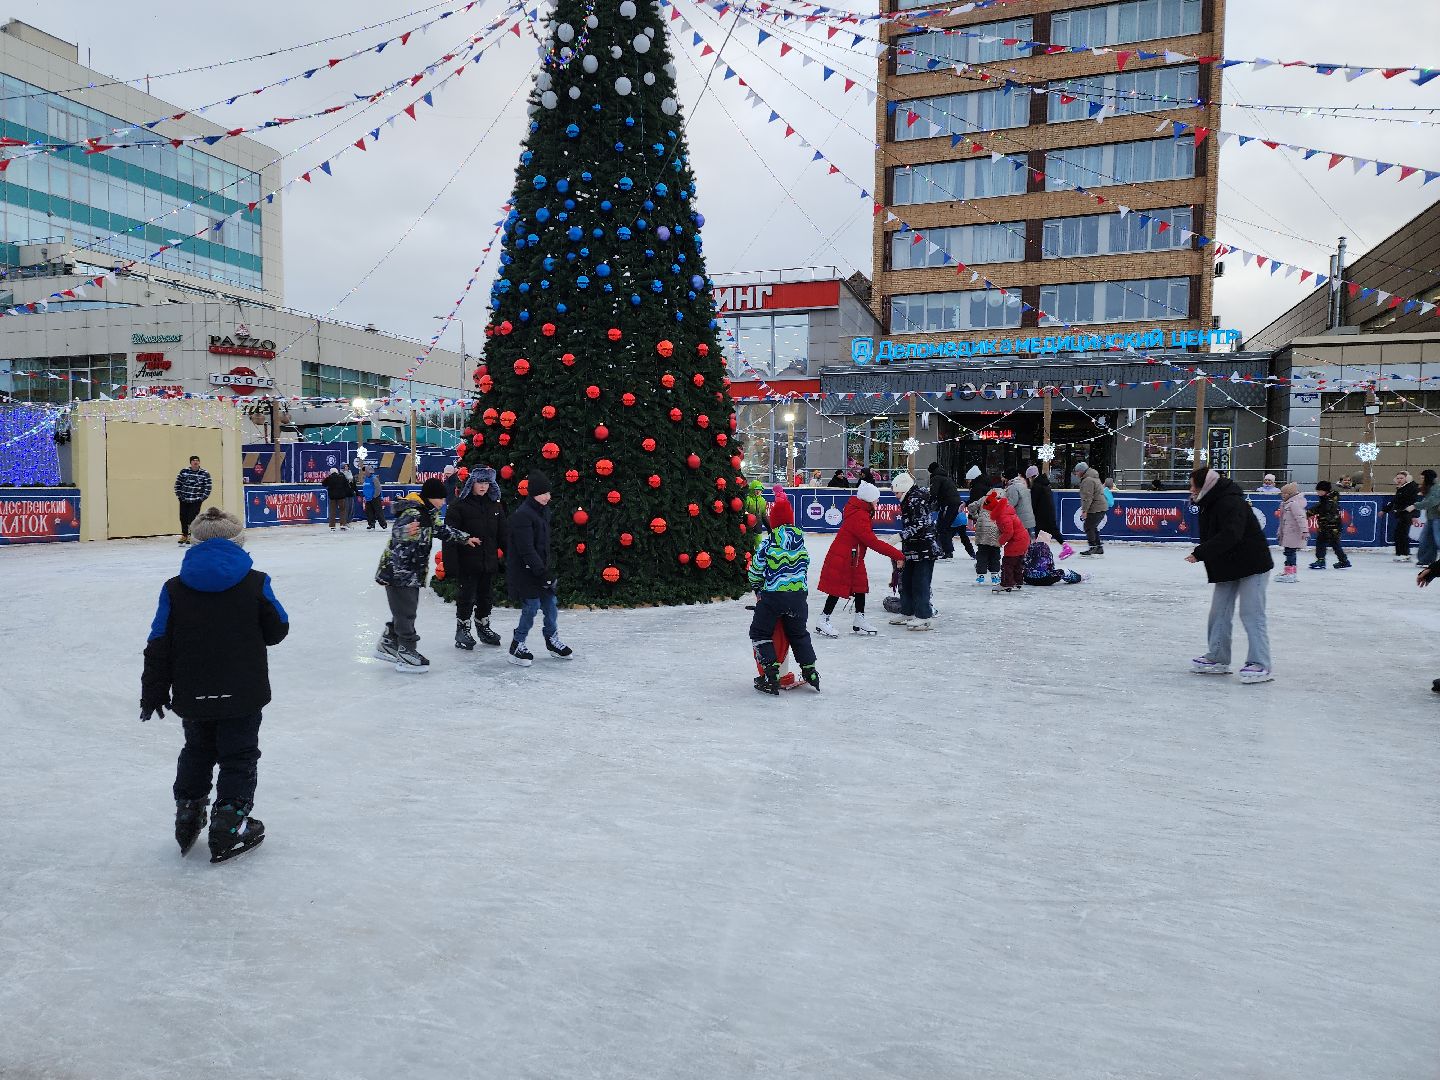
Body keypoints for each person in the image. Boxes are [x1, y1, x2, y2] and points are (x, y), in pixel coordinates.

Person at [140, 507, 289, 863]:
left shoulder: (174, 589)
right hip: (243, 689)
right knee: (238, 756)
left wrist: (154, 689)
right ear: (239, 542)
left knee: (197, 750)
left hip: (193, 691)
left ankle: (188, 812)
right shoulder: (256, 581)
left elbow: (158, 640)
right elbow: (278, 628)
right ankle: (229, 823)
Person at [375, 478, 480, 673]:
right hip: (399, 573)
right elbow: (399, 532)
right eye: (441, 498)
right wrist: (405, 532)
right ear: (432, 497)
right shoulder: (413, 512)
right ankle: (407, 651)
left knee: (403, 610)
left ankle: (389, 642)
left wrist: (465, 538)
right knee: (407, 612)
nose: (444, 502)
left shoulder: (428, 513)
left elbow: (441, 530)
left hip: (409, 572)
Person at [1185, 467, 1274, 684]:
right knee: (1219, 611)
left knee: (1251, 613)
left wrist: (1201, 553)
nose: (1191, 490)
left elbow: (1230, 534)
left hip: (1253, 563)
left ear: (1205, 485)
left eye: (1193, 485)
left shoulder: (1231, 502)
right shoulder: (1210, 501)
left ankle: (1260, 663)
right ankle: (1218, 657)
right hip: (1228, 564)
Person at [748, 487, 820, 695]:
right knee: (798, 634)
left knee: (760, 632)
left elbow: (756, 569)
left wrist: (757, 586)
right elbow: (804, 566)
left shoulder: (769, 541)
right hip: (798, 598)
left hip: (773, 597)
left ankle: (771, 673)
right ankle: (810, 671)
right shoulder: (800, 542)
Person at [815, 480, 903, 637]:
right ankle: (823, 620)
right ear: (869, 500)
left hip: (854, 557)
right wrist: (897, 555)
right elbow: (873, 542)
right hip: (844, 557)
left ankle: (859, 619)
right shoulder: (859, 516)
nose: (878, 501)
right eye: (876, 498)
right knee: (836, 589)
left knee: (860, 586)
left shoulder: (861, 512)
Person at [505, 469, 573, 666]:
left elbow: (542, 546)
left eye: (548, 493)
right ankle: (517, 644)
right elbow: (526, 549)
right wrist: (542, 572)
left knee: (551, 605)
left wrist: (545, 569)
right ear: (533, 493)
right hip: (525, 572)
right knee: (532, 607)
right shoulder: (522, 516)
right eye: (543, 493)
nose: (547, 497)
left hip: (540, 569)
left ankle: (552, 640)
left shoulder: (543, 512)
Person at [444, 467, 506, 650]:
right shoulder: (459, 505)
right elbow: (449, 535)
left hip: (488, 561)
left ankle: (483, 626)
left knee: (486, 597)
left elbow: (503, 534)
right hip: (467, 562)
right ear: (472, 482)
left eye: (487, 483)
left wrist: (511, 556)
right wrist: (451, 565)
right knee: (466, 597)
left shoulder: (495, 505)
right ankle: (462, 629)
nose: (483, 487)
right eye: (480, 482)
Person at [890, 472, 939, 630]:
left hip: (924, 548)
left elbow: (921, 524)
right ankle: (908, 612)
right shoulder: (908, 499)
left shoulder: (917, 500)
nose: (895, 496)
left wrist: (900, 536)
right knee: (907, 581)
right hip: (912, 547)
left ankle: (924, 616)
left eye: (896, 493)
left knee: (920, 582)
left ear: (904, 489)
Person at [927, 461, 971, 559]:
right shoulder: (946, 477)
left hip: (948, 505)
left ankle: (947, 552)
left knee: (943, 528)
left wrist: (928, 504)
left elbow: (933, 493)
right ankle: (945, 550)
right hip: (953, 504)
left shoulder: (936, 478)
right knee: (943, 528)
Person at [989, 489, 1029, 593]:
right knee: (1016, 562)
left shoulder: (1002, 515)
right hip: (1023, 539)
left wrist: (1000, 542)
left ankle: (1006, 583)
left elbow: (1008, 532)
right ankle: (1018, 581)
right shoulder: (1006, 510)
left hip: (1017, 541)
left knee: (1008, 562)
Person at [1309, 480, 1351, 570]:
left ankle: (1321, 560)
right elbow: (1319, 508)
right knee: (1334, 544)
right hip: (1331, 526)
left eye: (1319, 491)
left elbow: (1322, 509)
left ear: (1325, 491)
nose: (1318, 493)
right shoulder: (1328, 499)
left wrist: (1309, 513)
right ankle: (1343, 560)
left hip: (1330, 526)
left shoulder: (1329, 501)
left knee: (1323, 542)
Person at [173, 455, 212, 546]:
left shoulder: (204, 473)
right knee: (183, 517)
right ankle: (184, 535)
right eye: (193, 460)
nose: (195, 462)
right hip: (184, 499)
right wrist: (179, 496)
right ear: (190, 462)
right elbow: (178, 484)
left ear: (199, 462)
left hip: (196, 500)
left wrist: (202, 498)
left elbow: (208, 487)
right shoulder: (184, 471)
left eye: (197, 460)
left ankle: (192, 535)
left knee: (192, 518)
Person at [968, 483, 1002, 588]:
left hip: (982, 529)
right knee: (995, 555)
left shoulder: (983, 499)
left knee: (982, 554)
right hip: (995, 530)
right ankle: (995, 577)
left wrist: (976, 516)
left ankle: (980, 577)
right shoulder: (1002, 501)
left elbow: (971, 506)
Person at [1274, 481, 1308, 583]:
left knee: (1290, 553)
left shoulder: (1294, 504)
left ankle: (1291, 573)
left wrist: (1304, 531)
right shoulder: (1286, 504)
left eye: (1285, 494)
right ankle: (1288, 571)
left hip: (1293, 533)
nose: (1282, 496)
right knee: (1288, 552)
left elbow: (1301, 518)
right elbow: (1282, 521)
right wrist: (1280, 531)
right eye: (1282, 494)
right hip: (1288, 533)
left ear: (1290, 494)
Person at [1383, 471, 1419, 562]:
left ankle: (1404, 554)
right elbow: (1395, 501)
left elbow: (1414, 502)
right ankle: (1400, 553)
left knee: (1402, 534)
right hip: (1401, 514)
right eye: (1398, 478)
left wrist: (1414, 515)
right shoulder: (1401, 488)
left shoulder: (1410, 488)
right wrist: (1384, 510)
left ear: (1406, 479)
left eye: (1401, 478)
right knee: (1399, 534)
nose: (1399, 480)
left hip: (1407, 514)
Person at [1076, 461, 1107, 556]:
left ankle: (1093, 547)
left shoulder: (1087, 480)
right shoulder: (1093, 477)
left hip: (1096, 507)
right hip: (1100, 506)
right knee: (1092, 527)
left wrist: (1084, 510)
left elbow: (1087, 497)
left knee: (1088, 526)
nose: (1076, 474)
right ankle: (1098, 547)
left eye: (1077, 471)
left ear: (1082, 471)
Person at [1030, 465, 1061, 543]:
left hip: (1041, 515)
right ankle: (1065, 546)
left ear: (1031, 477)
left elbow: (1033, 502)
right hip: (1049, 512)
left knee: (1041, 533)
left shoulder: (1036, 486)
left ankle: (1042, 552)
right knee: (1052, 530)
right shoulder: (1045, 484)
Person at [1417, 470, 1440, 565]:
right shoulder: (1429, 488)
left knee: (1438, 539)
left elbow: (1432, 502)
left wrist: (1415, 506)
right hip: (1431, 518)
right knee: (1426, 539)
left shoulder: (1437, 488)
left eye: (1423, 478)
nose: (1421, 480)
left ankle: (1426, 559)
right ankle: (1426, 559)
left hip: (1437, 518)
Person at [1005, 468, 1036, 538]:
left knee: (1020, 541)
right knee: (1028, 540)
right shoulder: (1022, 484)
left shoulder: (1013, 487)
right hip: (1028, 518)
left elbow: (1012, 503)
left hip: (1021, 519)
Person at [742, 479, 770, 550]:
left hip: (758, 524)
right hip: (748, 524)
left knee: (758, 540)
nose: (758, 492)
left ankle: (757, 553)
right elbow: (743, 511)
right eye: (756, 490)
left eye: (760, 490)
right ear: (752, 490)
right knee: (748, 540)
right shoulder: (748, 499)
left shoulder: (763, 500)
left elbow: (763, 515)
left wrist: (769, 527)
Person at [361, 466, 386, 531]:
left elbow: (378, 488)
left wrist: (374, 496)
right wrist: (365, 496)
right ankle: (371, 524)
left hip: (374, 498)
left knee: (378, 512)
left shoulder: (374, 478)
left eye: (365, 471)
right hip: (367, 498)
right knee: (369, 512)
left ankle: (383, 524)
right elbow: (365, 488)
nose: (364, 472)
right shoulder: (365, 478)